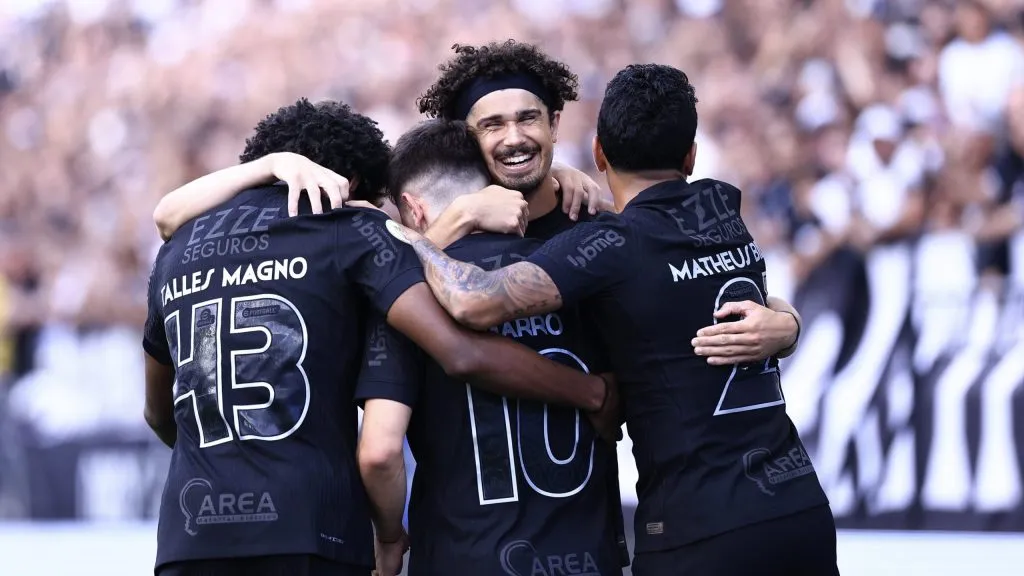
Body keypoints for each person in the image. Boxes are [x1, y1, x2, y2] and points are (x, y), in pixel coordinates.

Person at [393, 65, 838, 576]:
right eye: (493, 125)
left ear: (595, 149)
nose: (514, 137)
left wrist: (403, 239)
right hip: (797, 503)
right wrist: (787, 322)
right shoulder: (722, 206)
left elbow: (472, 302)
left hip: (695, 528)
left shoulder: (604, 242)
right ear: (691, 156)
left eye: (528, 119)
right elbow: (696, 283)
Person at [142, 98, 616, 576]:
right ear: (348, 186)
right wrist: (589, 391)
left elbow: (158, 413)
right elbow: (458, 352)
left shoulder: (175, 250)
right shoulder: (351, 228)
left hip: (189, 533)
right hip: (310, 527)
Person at [356, 119, 623, 576]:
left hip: (465, 557)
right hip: (587, 556)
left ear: (412, 210)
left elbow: (380, 453)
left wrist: (388, 538)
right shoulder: (572, 273)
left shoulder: (406, 304)